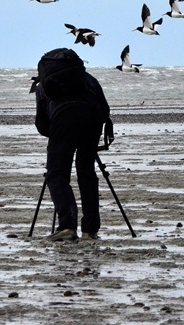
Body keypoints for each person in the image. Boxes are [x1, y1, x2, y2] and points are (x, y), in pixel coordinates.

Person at [34, 48, 113, 241]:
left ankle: (67, 227)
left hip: (62, 121)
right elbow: (104, 109)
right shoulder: (90, 80)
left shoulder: (43, 86)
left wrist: (59, 136)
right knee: (86, 173)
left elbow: (42, 126)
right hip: (92, 118)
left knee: (57, 174)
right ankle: (90, 231)